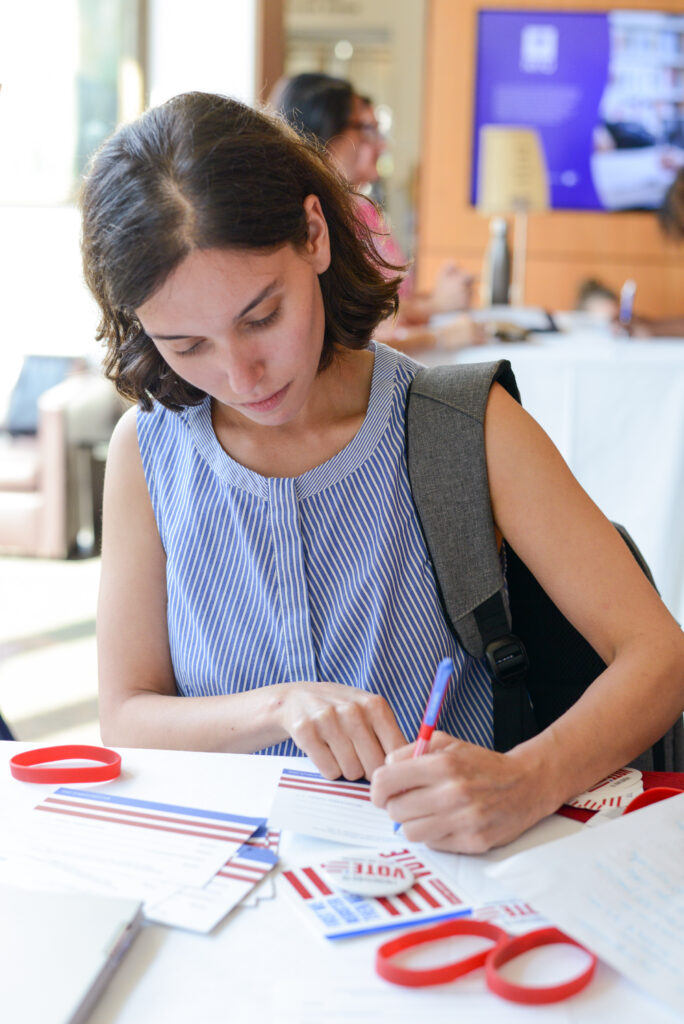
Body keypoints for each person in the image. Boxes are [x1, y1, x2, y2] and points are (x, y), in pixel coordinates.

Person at [80, 91, 684, 854]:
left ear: (314, 234)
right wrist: (281, 706)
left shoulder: (462, 427)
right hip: (223, 883)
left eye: (261, 316)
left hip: (441, 880)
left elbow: (659, 656)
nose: (240, 375)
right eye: (186, 344)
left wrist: (528, 781)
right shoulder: (148, 453)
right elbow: (125, 716)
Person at [276, 72, 482, 354]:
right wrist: (442, 333)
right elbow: (346, 345)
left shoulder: (361, 211)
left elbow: (380, 308)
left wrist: (435, 300)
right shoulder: (309, 228)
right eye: (366, 129)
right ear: (322, 133)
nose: (381, 144)